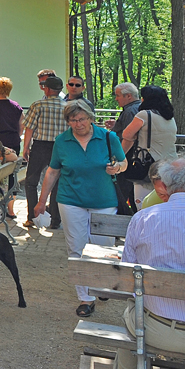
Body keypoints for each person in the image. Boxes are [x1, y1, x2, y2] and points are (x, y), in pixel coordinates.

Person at [109, 157, 185, 369]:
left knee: (133, 309)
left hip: (155, 330)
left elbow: (127, 281)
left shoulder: (144, 218)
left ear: (165, 186)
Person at [34, 100, 124, 318]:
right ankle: (85, 297)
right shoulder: (62, 141)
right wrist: (42, 200)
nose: (78, 123)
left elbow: (123, 163)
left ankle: (101, 285)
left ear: (90, 118)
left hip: (104, 200)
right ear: (68, 122)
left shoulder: (108, 137)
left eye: (82, 118)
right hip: (70, 199)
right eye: (73, 120)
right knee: (76, 247)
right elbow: (53, 171)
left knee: (104, 247)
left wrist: (116, 168)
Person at [119, 85, 178, 214]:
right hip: (171, 165)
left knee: (142, 203)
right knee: (163, 201)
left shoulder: (144, 115)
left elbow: (126, 135)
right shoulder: (170, 117)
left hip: (149, 165)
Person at [22, 74, 69, 229]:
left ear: (47, 89)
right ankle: (55, 220)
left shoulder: (38, 105)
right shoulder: (68, 107)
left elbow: (30, 128)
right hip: (61, 147)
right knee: (57, 182)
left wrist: (26, 147)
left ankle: (32, 217)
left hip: (40, 146)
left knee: (31, 181)